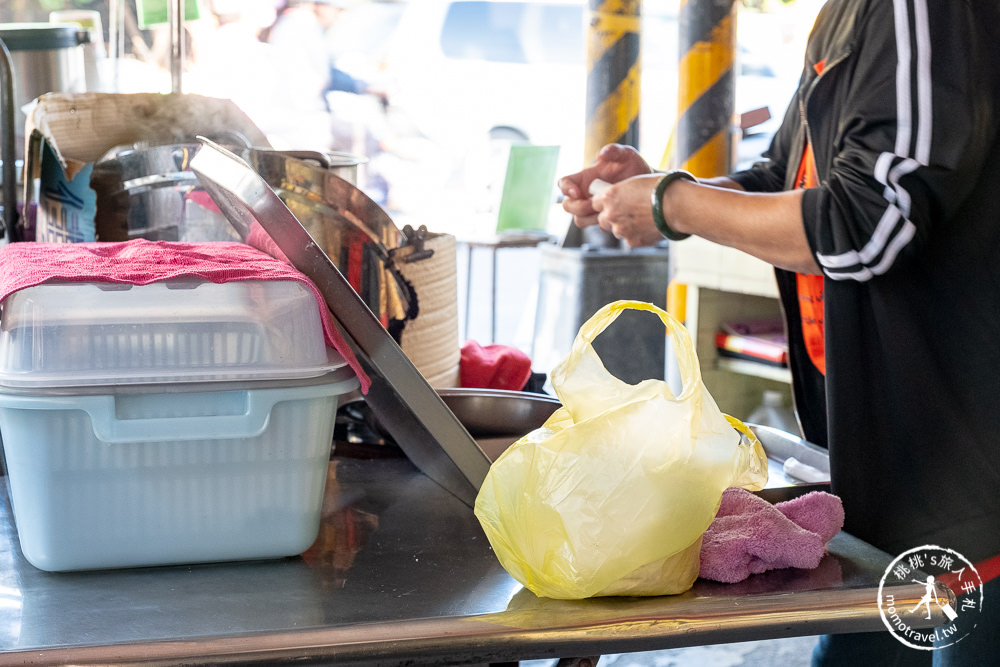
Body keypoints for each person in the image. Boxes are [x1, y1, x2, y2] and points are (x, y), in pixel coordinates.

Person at [558, 0, 1000, 665]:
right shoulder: (845, 15)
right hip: (887, 459)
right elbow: (784, 179)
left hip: (961, 466)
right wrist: (668, 189)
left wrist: (672, 204)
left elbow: (868, 223)